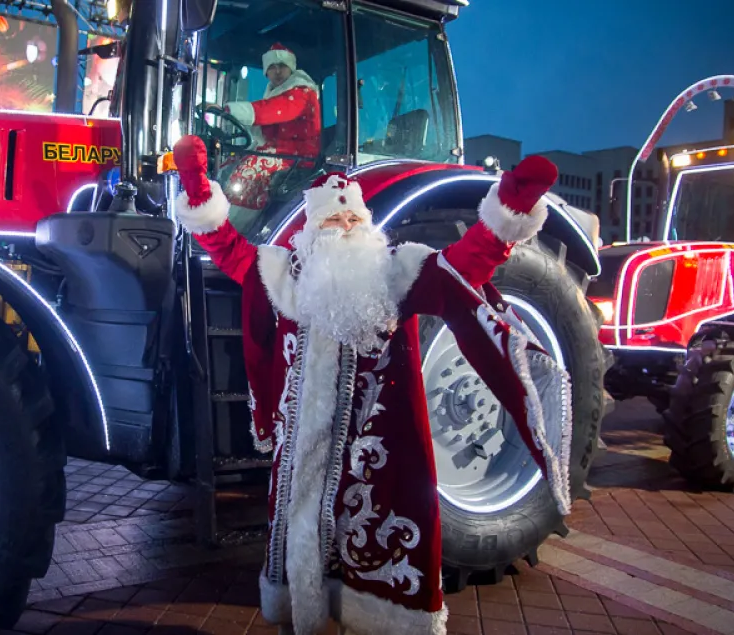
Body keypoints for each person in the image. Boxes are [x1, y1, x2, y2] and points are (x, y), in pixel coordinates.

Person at [170, 135, 572, 635]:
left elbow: (464, 264)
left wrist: (508, 211)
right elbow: (227, 248)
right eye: (332, 222)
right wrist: (196, 190)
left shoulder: (396, 274)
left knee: (376, 563)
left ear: (368, 226)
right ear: (312, 233)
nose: (345, 229)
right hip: (302, 462)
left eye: (354, 221)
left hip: (377, 462)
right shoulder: (285, 277)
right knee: (303, 559)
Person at [205, 43, 321, 222]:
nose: (277, 71)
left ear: (291, 68)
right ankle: (215, 215)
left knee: (252, 170)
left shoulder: (301, 92)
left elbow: (271, 110)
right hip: (279, 150)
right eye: (272, 67)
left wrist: (227, 110)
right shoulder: (276, 91)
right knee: (225, 163)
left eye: (282, 66)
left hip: (297, 155)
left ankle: (237, 224)